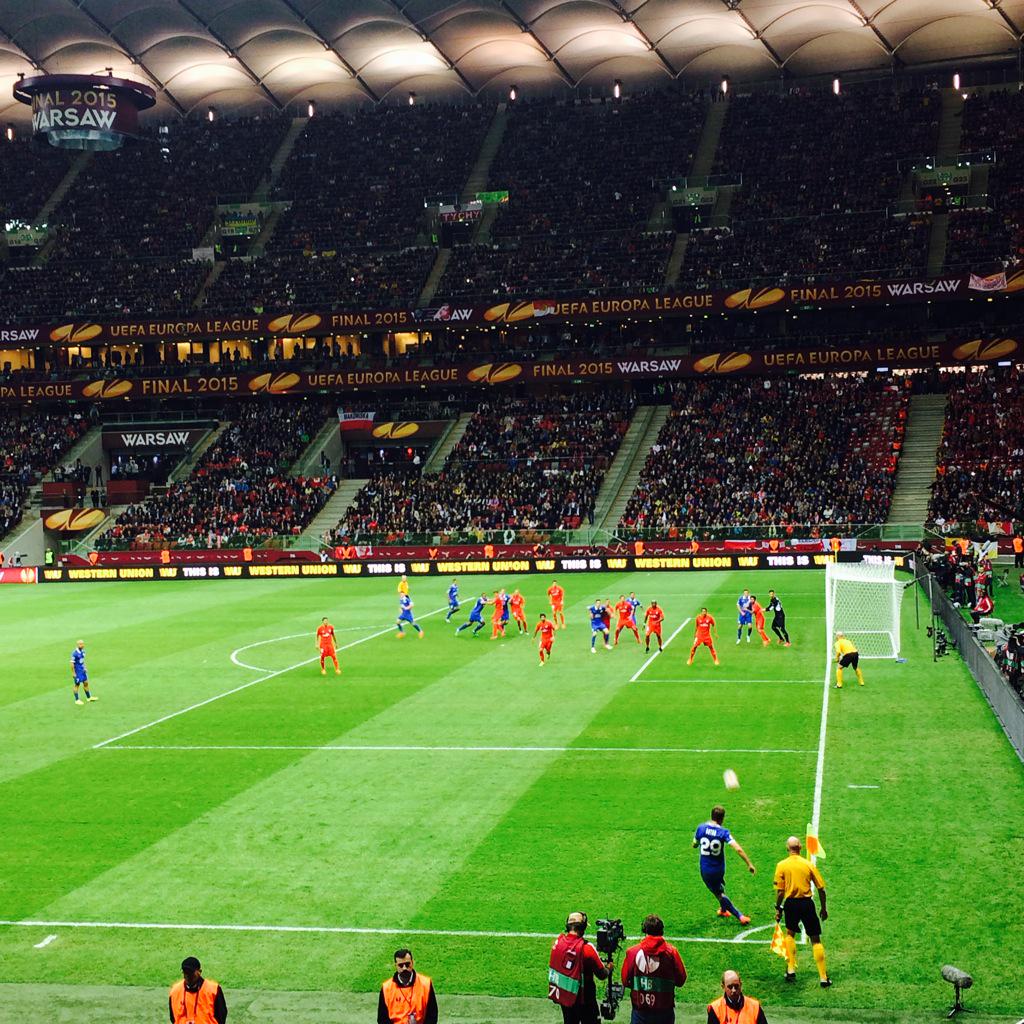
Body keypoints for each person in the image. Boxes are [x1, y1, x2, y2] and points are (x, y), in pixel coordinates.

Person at [773, 836, 830, 987]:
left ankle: (791, 968)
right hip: (807, 904)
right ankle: (823, 977)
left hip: (791, 904)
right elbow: (821, 889)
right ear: (800, 848)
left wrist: (778, 908)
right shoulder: (808, 864)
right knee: (815, 939)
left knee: (790, 934)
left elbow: (780, 892)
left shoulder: (781, 865)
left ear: (787, 848)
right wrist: (824, 908)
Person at [693, 805, 754, 924]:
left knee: (718, 893)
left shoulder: (701, 828)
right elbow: (738, 849)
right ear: (722, 818)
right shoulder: (723, 832)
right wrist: (749, 864)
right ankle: (723, 910)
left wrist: (697, 844)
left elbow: (694, 844)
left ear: (711, 816)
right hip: (719, 868)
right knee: (718, 887)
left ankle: (740, 916)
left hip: (706, 869)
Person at [620, 914, 686, 1024]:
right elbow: (681, 980)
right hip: (665, 1013)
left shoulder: (632, 952)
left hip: (640, 1013)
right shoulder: (671, 952)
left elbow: (625, 981)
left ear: (644, 930)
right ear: (662, 931)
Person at [548, 911, 611, 1024]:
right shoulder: (587, 948)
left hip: (566, 997)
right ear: (583, 927)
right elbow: (602, 974)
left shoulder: (557, 943)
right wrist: (609, 967)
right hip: (585, 999)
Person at [377, 948, 438, 1024]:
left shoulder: (426, 984)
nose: (404, 968)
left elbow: (432, 1015)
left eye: (407, 964)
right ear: (396, 966)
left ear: (412, 963)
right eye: (401, 965)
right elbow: (382, 1019)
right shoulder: (386, 988)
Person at [168, 956, 227, 1024]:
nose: (188, 976)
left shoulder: (213, 990)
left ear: (199, 971)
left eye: (191, 973)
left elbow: (221, 1016)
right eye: (185, 972)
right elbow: (173, 1018)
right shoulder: (175, 991)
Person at [70, 640, 97, 705]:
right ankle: (77, 700)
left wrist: (84, 667)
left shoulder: (83, 652)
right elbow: (71, 664)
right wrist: (73, 673)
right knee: (77, 685)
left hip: (82, 671)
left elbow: (82, 661)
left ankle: (89, 697)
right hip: (77, 671)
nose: (82, 645)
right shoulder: (74, 653)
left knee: (86, 683)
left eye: (82, 644)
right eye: (80, 644)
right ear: (77, 645)